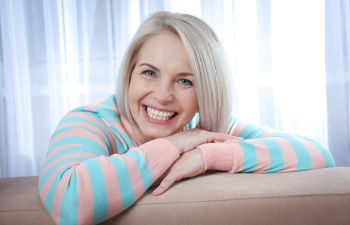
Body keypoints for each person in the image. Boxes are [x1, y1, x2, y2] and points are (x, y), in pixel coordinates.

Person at [38, 11, 335, 225]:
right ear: (129, 75)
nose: (163, 95)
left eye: (185, 81)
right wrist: (175, 145)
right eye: (149, 73)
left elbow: (317, 155)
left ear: (206, 90)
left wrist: (207, 156)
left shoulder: (207, 128)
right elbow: (70, 202)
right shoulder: (89, 122)